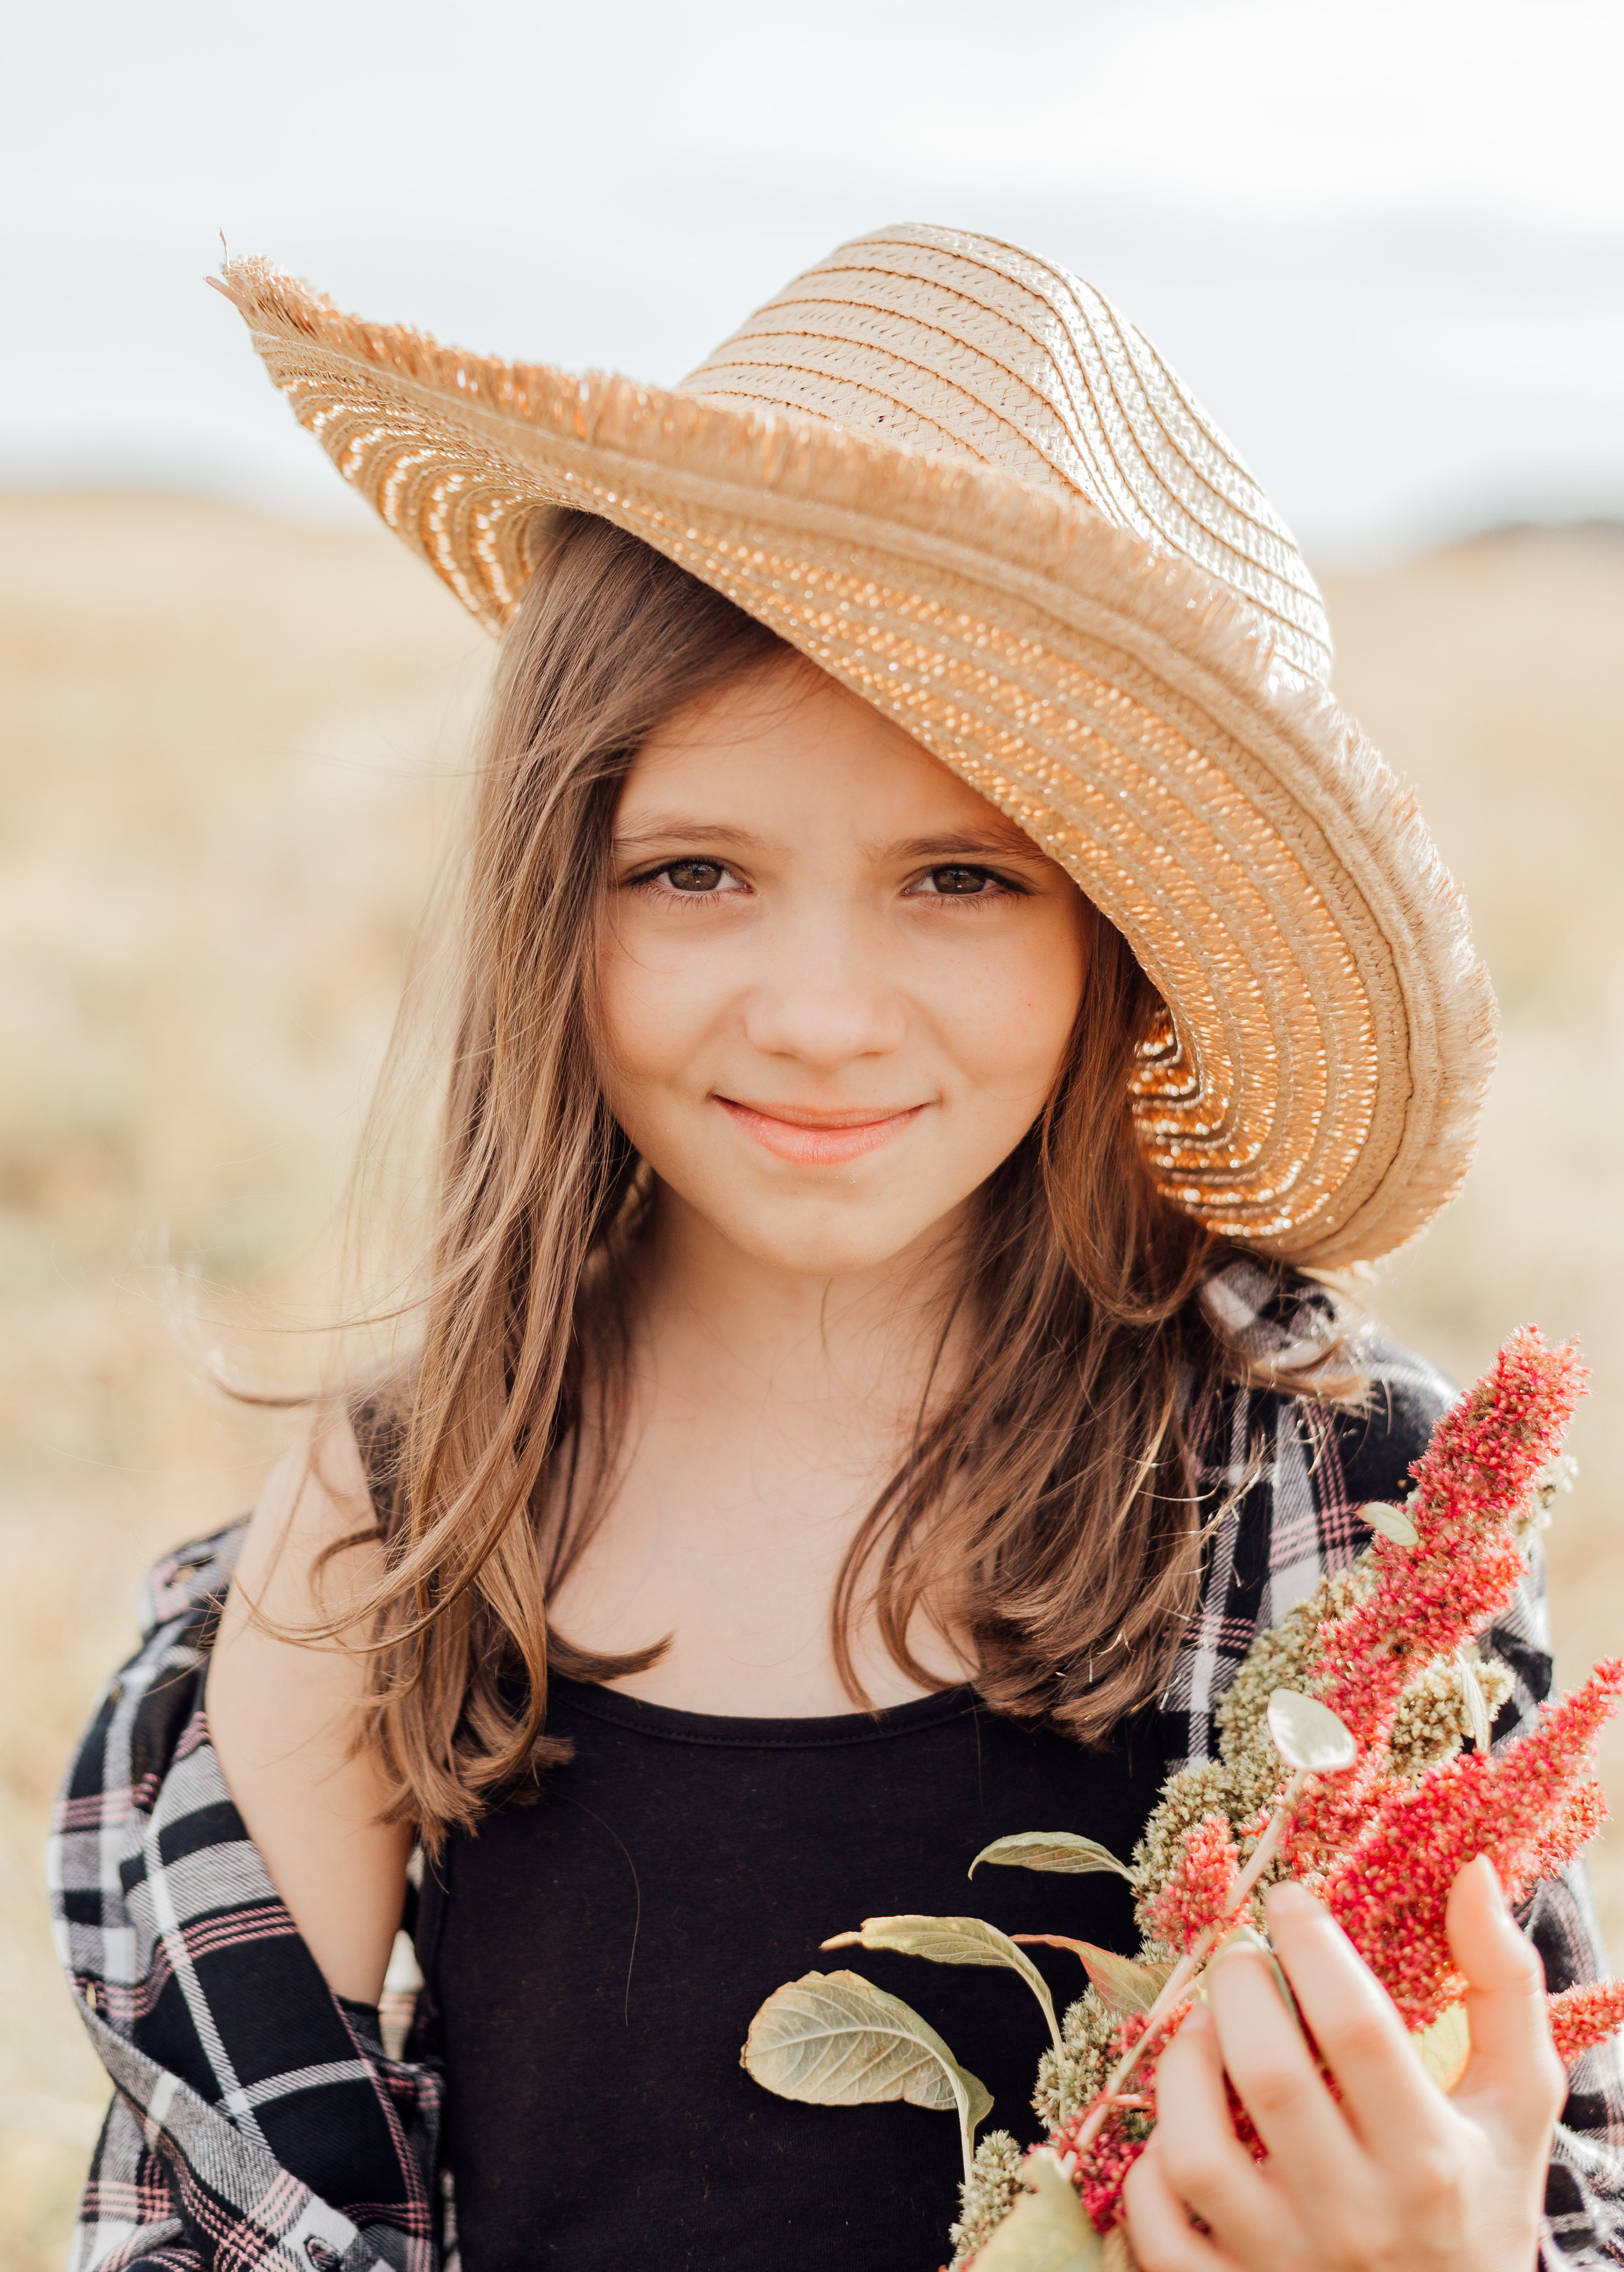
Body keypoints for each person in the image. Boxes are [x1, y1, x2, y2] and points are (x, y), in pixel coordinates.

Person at [51, 227, 1624, 2271]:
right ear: (560, 890)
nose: (817, 1010)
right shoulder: (395, 1530)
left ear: (1114, 951)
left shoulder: (1327, 1515)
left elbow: (1539, 2178)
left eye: (958, 878)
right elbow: (215, 2215)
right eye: (694, 869)